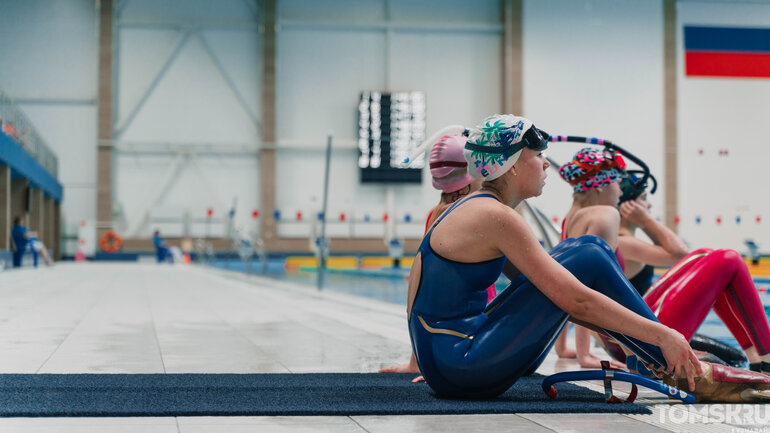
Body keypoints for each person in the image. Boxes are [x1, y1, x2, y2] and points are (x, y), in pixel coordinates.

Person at [408, 116, 770, 402]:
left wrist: (432, 358)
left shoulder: (478, 210)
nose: (547, 165)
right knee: (589, 253)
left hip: (454, 361)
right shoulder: (496, 217)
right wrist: (663, 335)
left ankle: (661, 363)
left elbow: (553, 295)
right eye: (537, 156)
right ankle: (679, 369)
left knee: (582, 251)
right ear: (512, 166)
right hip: (465, 365)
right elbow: (573, 298)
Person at [617, 174, 770, 375]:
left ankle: (757, 359)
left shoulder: (617, 239)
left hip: (639, 338)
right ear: (630, 205)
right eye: (644, 198)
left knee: (703, 255)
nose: (650, 205)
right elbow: (679, 253)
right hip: (646, 347)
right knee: (729, 259)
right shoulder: (623, 242)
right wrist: (646, 221)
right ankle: (767, 356)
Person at [379, 134, 484, 377]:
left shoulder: (434, 213)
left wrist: (417, 357)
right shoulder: (468, 214)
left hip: (440, 335)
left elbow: (419, 288)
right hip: (466, 334)